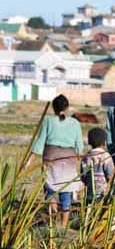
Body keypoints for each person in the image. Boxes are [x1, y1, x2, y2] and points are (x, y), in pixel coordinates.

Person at [28, 95, 84, 228]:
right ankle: (64, 224)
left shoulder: (47, 121)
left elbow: (39, 143)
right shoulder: (75, 123)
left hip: (51, 159)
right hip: (68, 160)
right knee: (67, 190)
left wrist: (29, 161)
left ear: (54, 108)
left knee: (50, 188)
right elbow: (79, 147)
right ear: (67, 107)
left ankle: (53, 221)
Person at [81, 127, 114, 205]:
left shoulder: (86, 157)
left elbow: (83, 177)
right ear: (104, 142)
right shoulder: (105, 156)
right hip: (103, 194)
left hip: (89, 194)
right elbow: (111, 176)